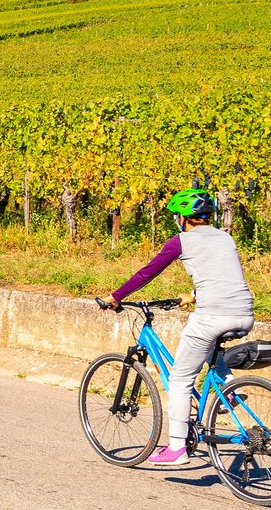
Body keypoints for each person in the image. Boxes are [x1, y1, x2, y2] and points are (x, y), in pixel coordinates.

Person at [104, 188, 254, 467]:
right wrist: (193, 295)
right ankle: (230, 389)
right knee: (209, 349)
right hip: (244, 313)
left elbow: (147, 272)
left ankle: (176, 449)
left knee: (180, 380)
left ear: (182, 218)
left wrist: (117, 297)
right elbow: (221, 274)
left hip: (213, 315)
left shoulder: (180, 241)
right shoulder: (226, 238)